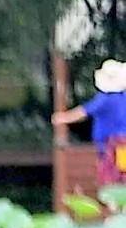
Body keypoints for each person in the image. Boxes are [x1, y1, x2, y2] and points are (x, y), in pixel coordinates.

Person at [51, 58, 126, 187]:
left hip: (111, 144)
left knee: (110, 178)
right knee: (122, 174)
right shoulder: (122, 97)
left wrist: (62, 118)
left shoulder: (105, 99)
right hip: (122, 142)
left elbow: (84, 112)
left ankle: (114, 204)